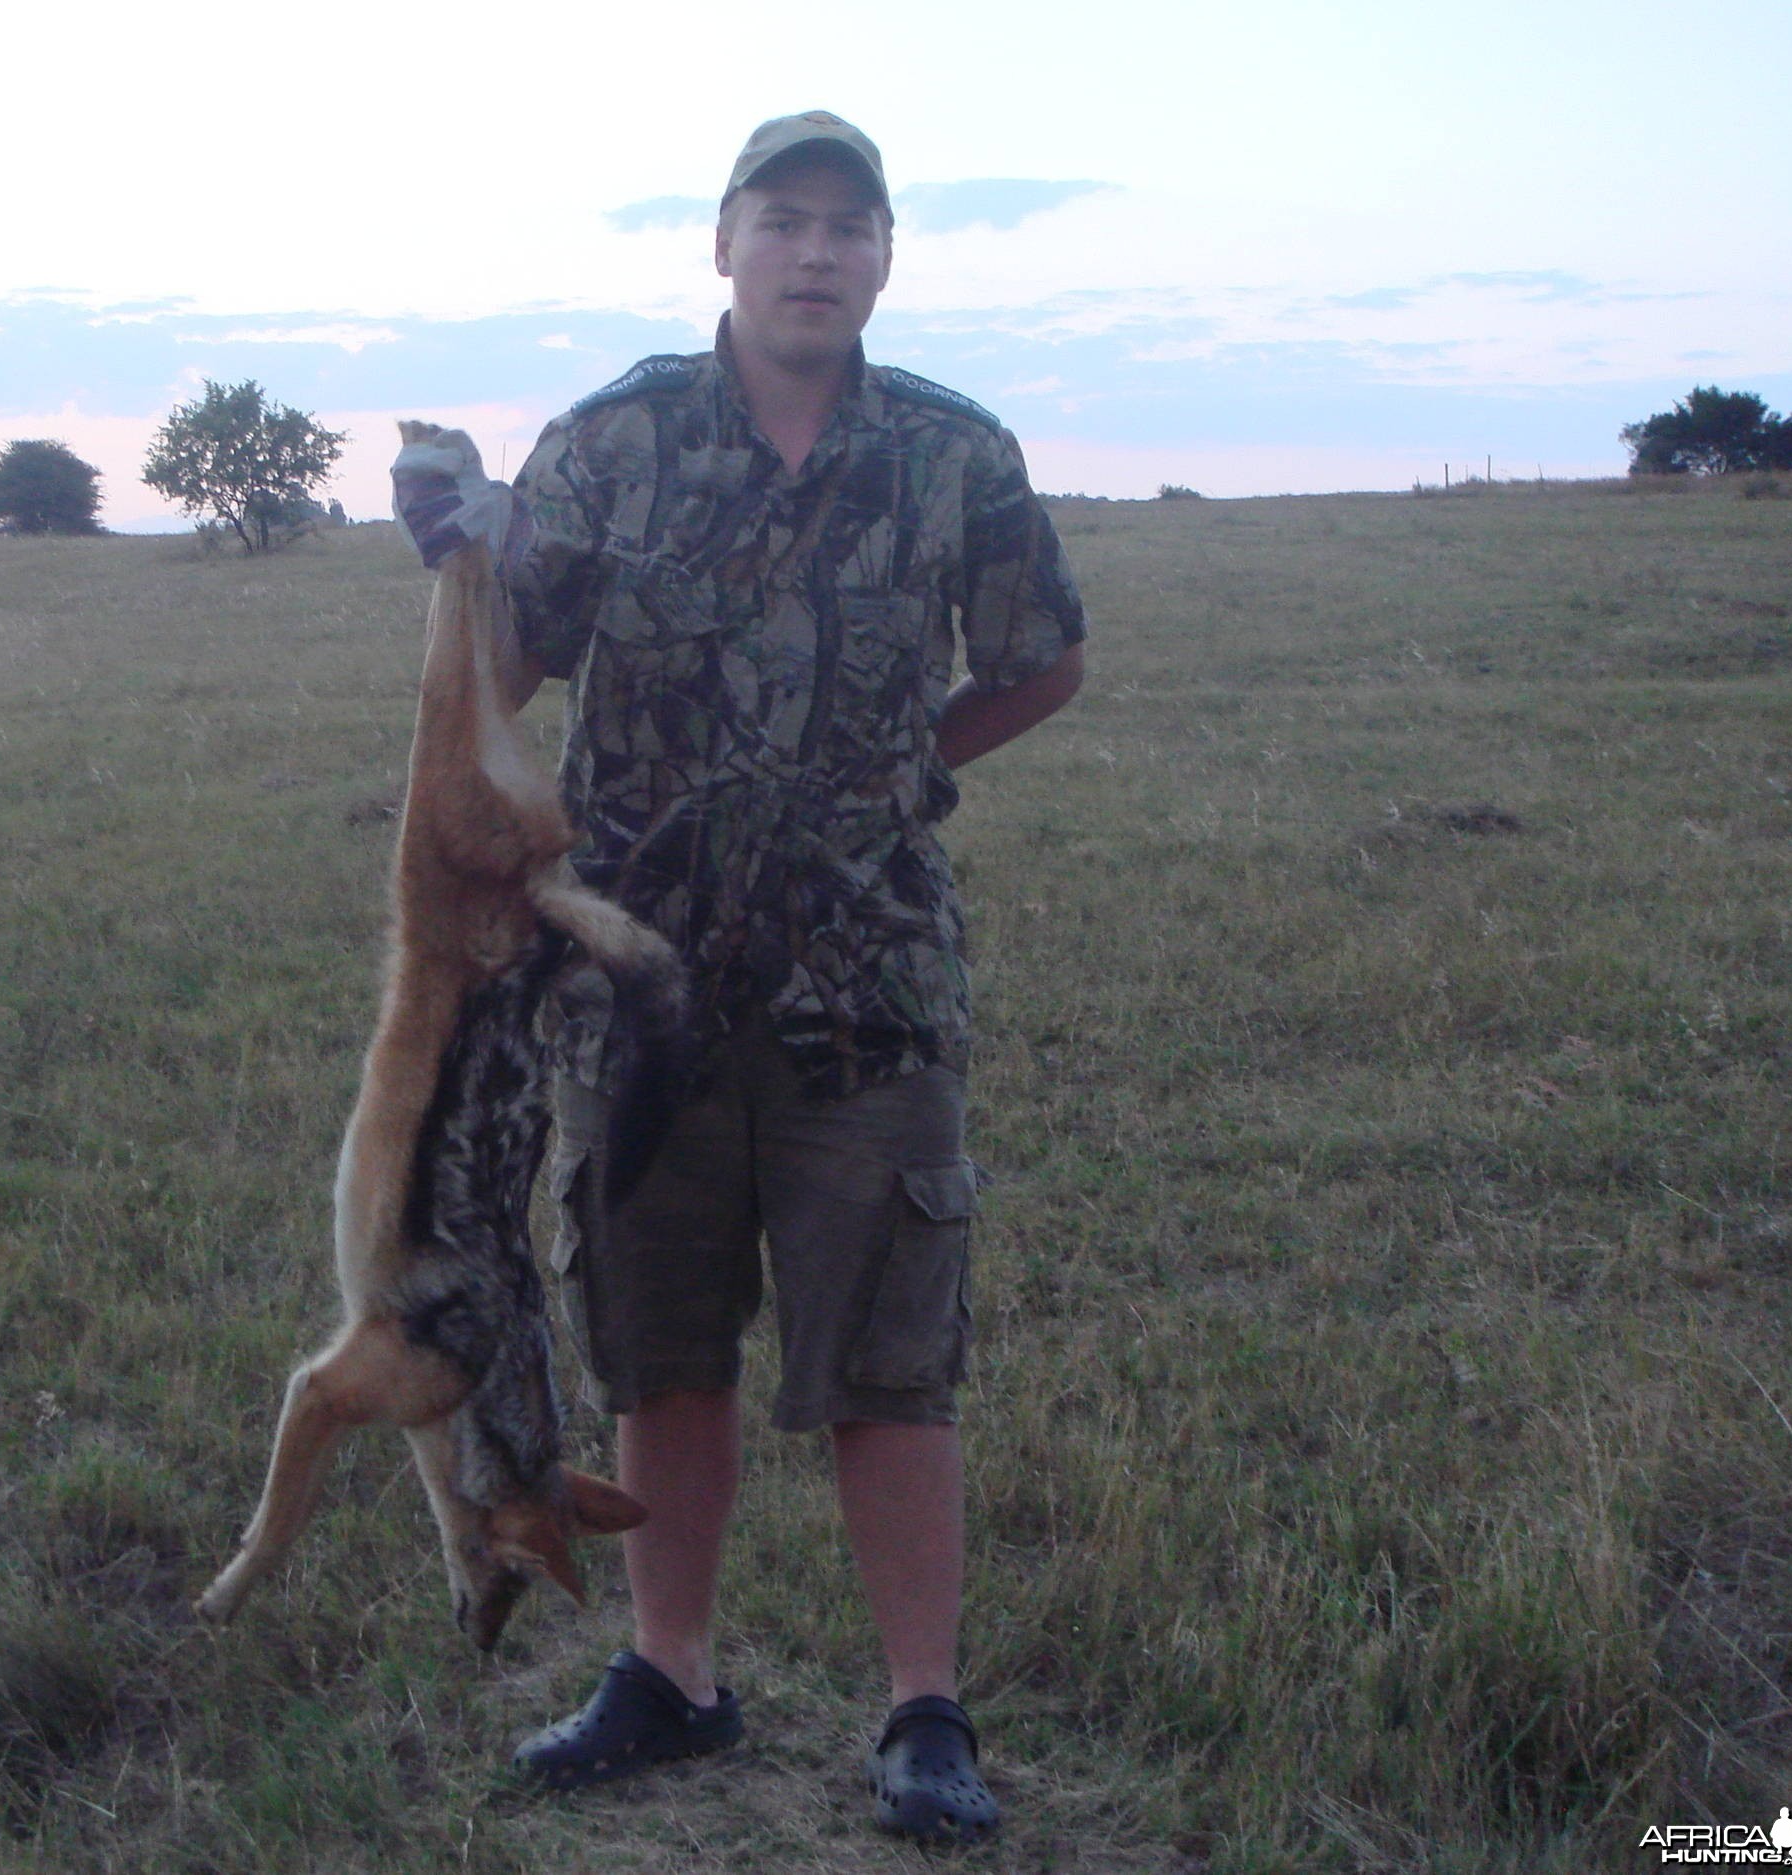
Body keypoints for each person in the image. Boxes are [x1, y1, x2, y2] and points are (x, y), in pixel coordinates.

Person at [391, 109, 1086, 1843]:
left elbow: (1041, 659)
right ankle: (675, 1674)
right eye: (785, 221)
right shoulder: (615, 439)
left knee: (889, 1362)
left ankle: (925, 1712)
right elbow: (519, 655)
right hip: (642, 996)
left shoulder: (953, 454)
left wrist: (908, 775)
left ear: (886, 259)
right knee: (661, 1349)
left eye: (852, 228)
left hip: (875, 993)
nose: (817, 253)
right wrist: (460, 548)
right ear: (724, 245)